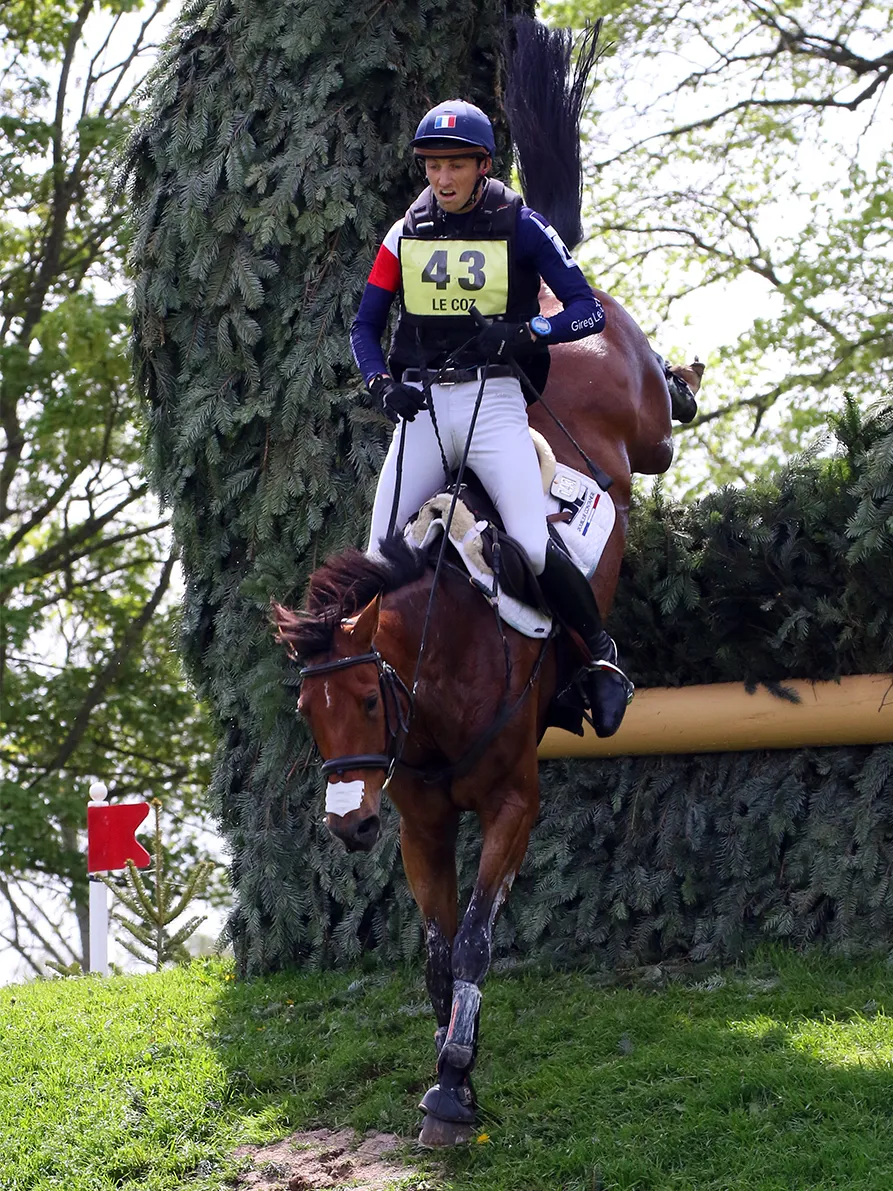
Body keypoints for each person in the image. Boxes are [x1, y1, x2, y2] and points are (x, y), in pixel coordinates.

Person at [349, 99, 632, 737]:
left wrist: (525, 330)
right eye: (432, 166)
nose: (442, 180)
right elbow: (364, 327)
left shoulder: (523, 225)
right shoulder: (403, 233)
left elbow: (586, 312)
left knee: (530, 545)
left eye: (454, 166)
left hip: (495, 404)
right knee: (375, 563)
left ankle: (599, 656)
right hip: (422, 408)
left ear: (482, 165)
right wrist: (381, 385)